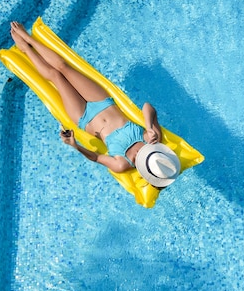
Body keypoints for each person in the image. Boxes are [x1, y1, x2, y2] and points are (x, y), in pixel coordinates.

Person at [9, 21, 180, 187]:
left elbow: (97, 157)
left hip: (84, 118)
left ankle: (25, 50)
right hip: (102, 102)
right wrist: (150, 126)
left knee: (55, 76)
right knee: (63, 67)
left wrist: (75, 145)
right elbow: (148, 107)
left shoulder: (122, 165)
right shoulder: (152, 140)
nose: (138, 156)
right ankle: (28, 38)